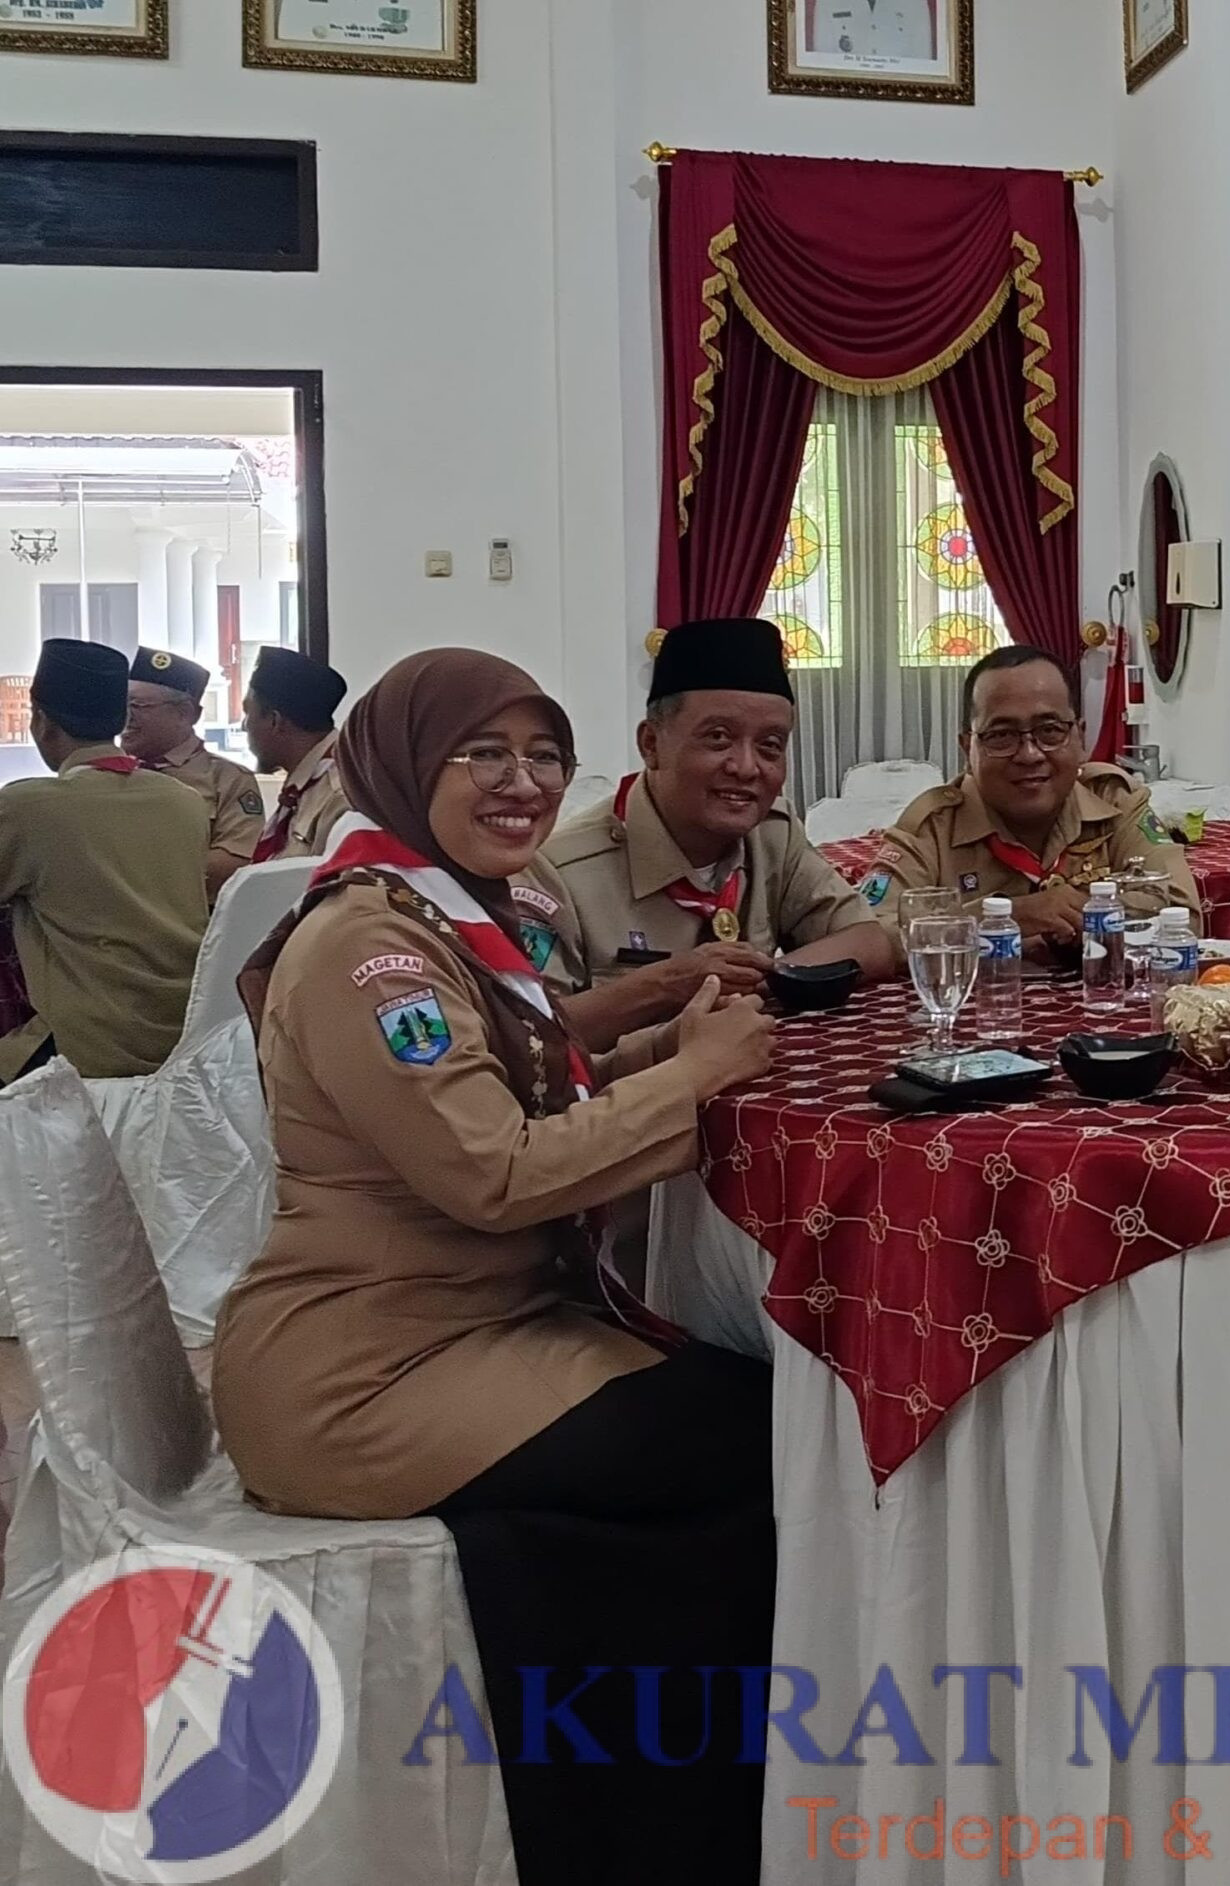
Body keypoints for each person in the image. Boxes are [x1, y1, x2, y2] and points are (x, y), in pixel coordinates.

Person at [211, 649, 779, 1885]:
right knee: (755, 1436)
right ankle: (653, 1830)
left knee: (742, 1428)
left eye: (544, 756)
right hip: (364, 1372)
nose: (521, 782)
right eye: (482, 753)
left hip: (478, 1328)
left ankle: (642, 1815)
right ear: (405, 764)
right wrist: (693, 1077)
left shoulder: (444, 911)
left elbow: (525, 1095)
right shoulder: (372, 950)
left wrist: (661, 1052)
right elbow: (496, 1172)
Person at [542, 617, 893, 1047]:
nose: (746, 768)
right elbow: (529, 1040)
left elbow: (867, 941)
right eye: (718, 738)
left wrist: (751, 982)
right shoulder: (559, 871)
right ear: (651, 744)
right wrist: (667, 985)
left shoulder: (772, 834)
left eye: (770, 746)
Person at [875, 644, 1199, 957]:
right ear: (967, 748)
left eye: (1050, 730)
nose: (1029, 754)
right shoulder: (932, 827)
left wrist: (1089, 917)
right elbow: (873, 938)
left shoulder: (1116, 802)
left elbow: (1182, 914)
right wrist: (1000, 920)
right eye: (1001, 735)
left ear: (1080, 738)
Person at [0, 640, 208, 1081]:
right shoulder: (185, 802)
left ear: (41, 722)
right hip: (183, 1037)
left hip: (84, 1048)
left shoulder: (28, 808)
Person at [124, 646, 263, 890]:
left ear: (185, 713)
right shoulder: (106, 772)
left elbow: (233, 862)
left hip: (191, 910)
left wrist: (134, 875)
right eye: (122, 704)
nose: (126, 716)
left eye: (138, 705)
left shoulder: (228, 780)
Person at [240, 644, 351, 861]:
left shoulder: (340, 795)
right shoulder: (302, 788)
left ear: (274, 721)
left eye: (248, 713)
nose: (244, 726)